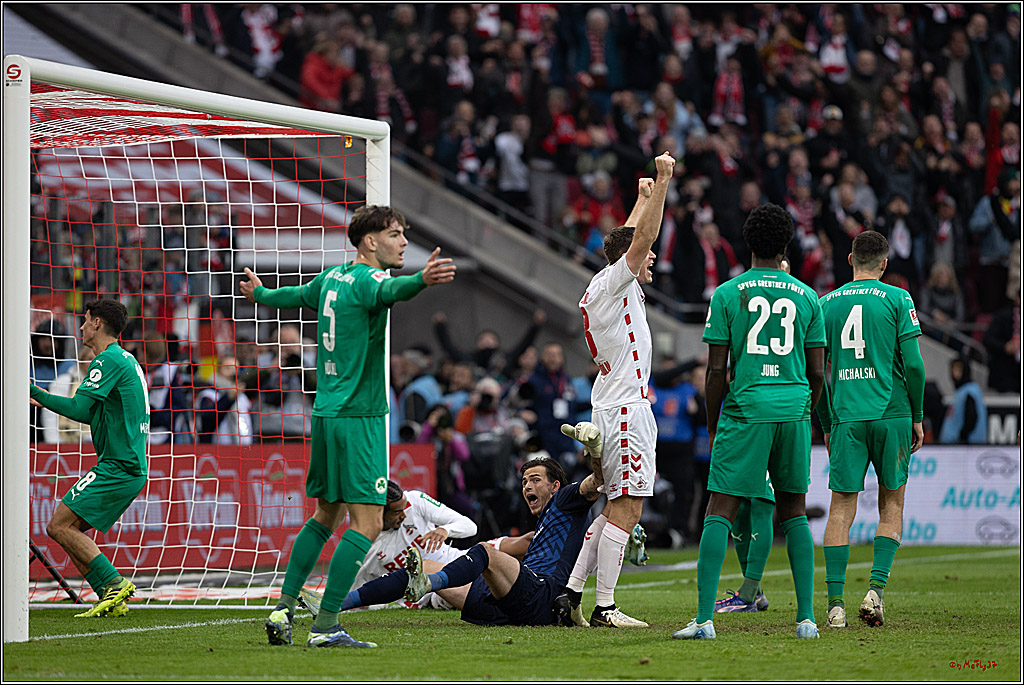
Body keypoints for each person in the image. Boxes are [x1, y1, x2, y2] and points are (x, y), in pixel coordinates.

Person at [240, 204, 456, 648]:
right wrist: (421, 280)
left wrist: (260, 294)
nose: (404, 242)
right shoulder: (369, 279)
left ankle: (283, 608)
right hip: (360, 417)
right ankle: (326, 625)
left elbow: (293, 296)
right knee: (369, 521)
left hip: (324, 414)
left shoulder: (331, 279)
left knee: (326, 514)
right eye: (395, 234)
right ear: (370, 241)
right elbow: (391, 289)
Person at [674, 203, 826, 640]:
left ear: (747, 243)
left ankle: (704, 620)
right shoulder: (807, 296)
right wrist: (805, 410)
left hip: (746, 409)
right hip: (793, 410)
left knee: (719, 510)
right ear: (787, 245)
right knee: (794, 513)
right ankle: (806, 620)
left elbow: (715, 370)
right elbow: (818, 372)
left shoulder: (727, 293)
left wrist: (712, 422)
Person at [563, 151, 676, 629]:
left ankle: (570, 593)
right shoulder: (615, 282)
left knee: (614, 507)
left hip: (615, 406)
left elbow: (628, 237)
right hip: (626, 410)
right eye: (645, 255)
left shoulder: (606, 282)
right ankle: (605, 608)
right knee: (627, 509)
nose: (652, 257)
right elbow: (639, 239)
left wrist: (641, 199)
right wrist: (664, 181)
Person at [816, 231, 926, 630]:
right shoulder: (899, 298)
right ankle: (875, 593)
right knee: (891, 504)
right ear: (884, 263)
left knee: (840, 508)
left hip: (847, 416)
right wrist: (917, 415)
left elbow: (817, 373)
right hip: (892, 412)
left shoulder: (825, 303)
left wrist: (827, 422)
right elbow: (914, 365)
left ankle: (835, 607)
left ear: (850, 259)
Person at [29, 299, 149, 618]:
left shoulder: (106, 360)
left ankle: (114, 583)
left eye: (85, 320)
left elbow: (78, 408)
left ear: (97, 323)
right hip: (127, 464)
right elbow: (89, 413)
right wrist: (43, 398)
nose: (80, 327)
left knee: (58, 525)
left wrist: (34, 392)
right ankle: (110, 596)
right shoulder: (125, 359)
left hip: (119, 466)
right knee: (65, 527)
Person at [298, 480, 532, 614]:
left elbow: (469, 527)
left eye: (404, 508)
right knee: (426, 567)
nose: (404, 514)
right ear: (379, 512)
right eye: (397, 512)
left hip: (462, 557)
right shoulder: (365, 548)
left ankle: (550, 570)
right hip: (436, 592)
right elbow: (360, 597)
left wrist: (445, 530)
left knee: (526, 541)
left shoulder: (415, 501)